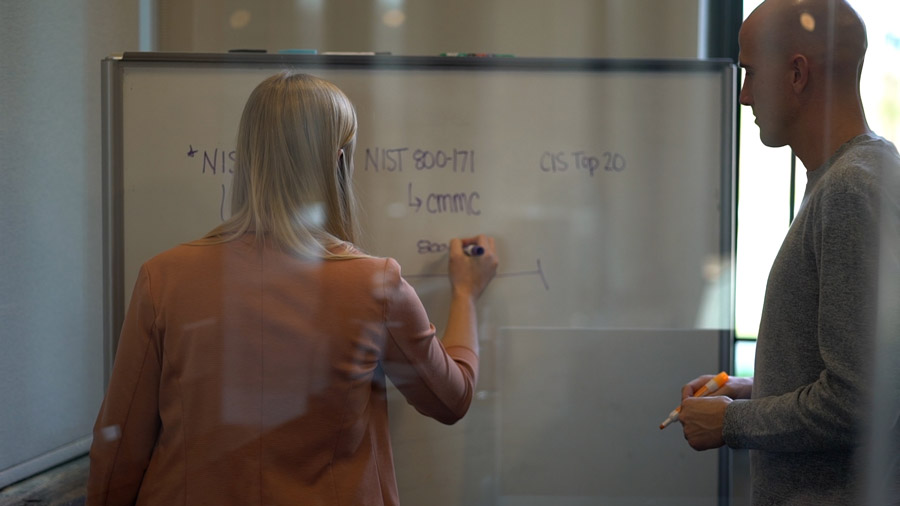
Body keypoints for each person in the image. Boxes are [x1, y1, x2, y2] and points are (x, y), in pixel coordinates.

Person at [86, 72, 498, 506]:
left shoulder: (163, 277)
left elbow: (118, 449)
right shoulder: (376, 285)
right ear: (339, 162)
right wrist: (465, 293)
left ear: (247, 157)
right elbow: (451, 399)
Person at [677, 0, 900, 504]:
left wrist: (733, 421)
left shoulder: (849, 190)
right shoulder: (860, 175)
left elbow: (859, 403)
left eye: (751, 73)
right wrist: (758, 387)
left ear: (797, 73)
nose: (742, 95)